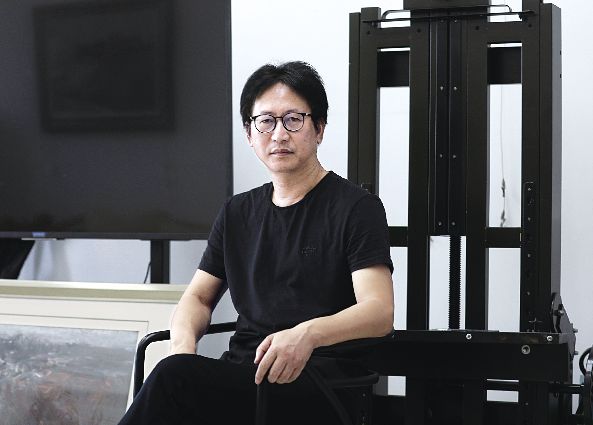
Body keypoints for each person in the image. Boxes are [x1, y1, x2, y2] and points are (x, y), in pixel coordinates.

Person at [118, 61, 394, 425]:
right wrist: (182, 349)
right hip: (245, 377)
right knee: (176, 375)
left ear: (319, 128)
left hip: (318, 384)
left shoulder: (356, 208)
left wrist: (307, 335)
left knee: (173, 384)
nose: (279, 134)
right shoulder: (237, 213)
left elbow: (379, 311)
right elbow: (198, 298)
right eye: (266, 121)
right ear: (250, 134)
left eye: (293, 119)